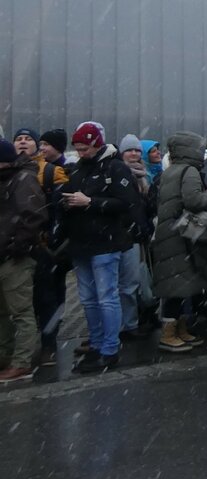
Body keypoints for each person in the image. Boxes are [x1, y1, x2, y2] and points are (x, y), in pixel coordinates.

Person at [63, 122, 138, 373]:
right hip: (82, 243)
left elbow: (126, 203)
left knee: (106, 297)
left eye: (84, 148)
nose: (81, 152)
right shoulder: (78, 170)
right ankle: (96, 344)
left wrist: (90, 202)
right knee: (88, 299)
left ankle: (109, 348)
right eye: (78, 148)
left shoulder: (115, 168)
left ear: (96, 144)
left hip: (106, 243)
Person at [152, 132, 207, 353]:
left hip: (168, 234)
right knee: (177, 287)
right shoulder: (189, 171)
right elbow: (194, 200)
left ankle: (179, 330)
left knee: (177, 284)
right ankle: (169, 334)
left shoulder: (170, 170)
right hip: (181, 237)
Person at [0, 138, 46, 383]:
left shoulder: (22, 180)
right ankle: (4, 356)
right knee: (2, 313)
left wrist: (16, 247)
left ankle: (21, 363)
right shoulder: (11, 178)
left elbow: (33, 216)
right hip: (5, 255)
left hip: (14, 258)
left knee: (21, 312)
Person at [33, 129, 70, 366]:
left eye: (46, 144)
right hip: (32, 245)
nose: (41, 148)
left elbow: (62, 211)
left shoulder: (57, 172)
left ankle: (50, 342)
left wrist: (55, 239)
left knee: (50, 295)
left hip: (52, 247)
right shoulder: (30, 170)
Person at [117, 135, 156, 338]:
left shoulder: (145, 175)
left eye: (137, 151)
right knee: (129, 282)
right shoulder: (118, 174)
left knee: (140, 280)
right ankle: (128, 324)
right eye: (130, 150)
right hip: (128, 235)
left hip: (141, 235)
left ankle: (138, 320)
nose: (134, 154)